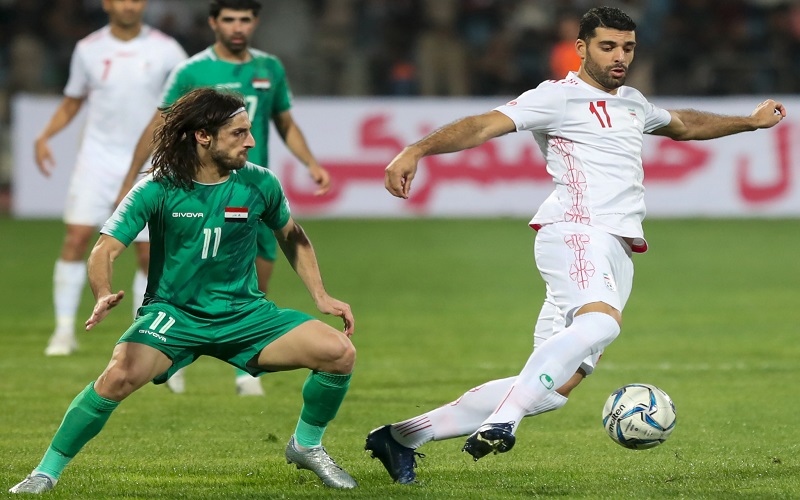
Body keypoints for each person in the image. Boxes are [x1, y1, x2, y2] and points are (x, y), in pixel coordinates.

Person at [366, 6, 786, 484]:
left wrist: (749, 122)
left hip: (618, 247)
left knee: (552, 389)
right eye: (608, 46)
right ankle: (503, 421)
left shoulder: (632, 102)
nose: (620, 56)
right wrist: (416, 149)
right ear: (582, 48)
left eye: (628, 47)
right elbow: (482, 125)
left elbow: (684, 124)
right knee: (601, 324)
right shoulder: (556, 98)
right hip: (577, 231)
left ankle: (401, 437)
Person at [9, 88, 358, 495]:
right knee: (117, 377)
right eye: (238, 133)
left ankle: (307, 445)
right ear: (203, 136)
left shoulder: (260, 182)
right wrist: (102, 292)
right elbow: (105, 249)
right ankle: (45, 473)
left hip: (244, 314)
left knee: (339, 353)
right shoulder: (157, 188)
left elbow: (292, 236)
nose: (251, 141)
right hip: (174, 315)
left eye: (249, 131)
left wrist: (321, 296)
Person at [118, 0, 330, 396]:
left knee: (255, 281)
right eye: (229, 19)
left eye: (244, 20)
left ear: (255, 23)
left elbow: (284, 122)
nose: (237, 27)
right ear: (213, 23)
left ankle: (245, 369)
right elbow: (161, 124)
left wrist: (311, 162)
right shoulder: (192, 71)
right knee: (186, 278)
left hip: (252, 193)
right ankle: (169, 351)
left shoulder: (269, 68)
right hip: (201, 191)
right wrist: (133, 176)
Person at [35, 0, 187, 357]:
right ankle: (63, 331)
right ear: (106, 3)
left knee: (149, 253)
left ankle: (141, 335)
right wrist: (45, 136)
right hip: (97, 160)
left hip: (150, 161)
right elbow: (72, 101)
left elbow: (182, 104)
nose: (128, 5)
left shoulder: (167, 50)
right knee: (76, 238)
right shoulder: (88, 49)